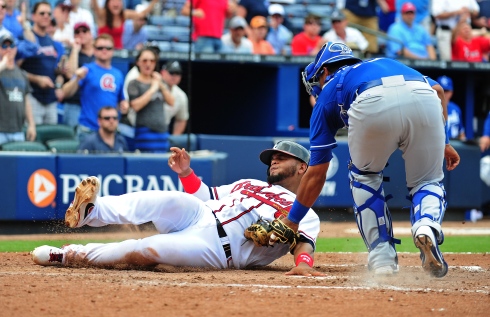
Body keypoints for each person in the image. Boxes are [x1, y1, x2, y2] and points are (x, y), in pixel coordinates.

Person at [281, 42, 460, 278]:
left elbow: (316, 173)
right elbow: (437, 91)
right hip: (423, 97)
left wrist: (293, 220)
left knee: (364, 178)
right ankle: (426, 225)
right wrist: (444, 141)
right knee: (427, 180)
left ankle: (382, 258)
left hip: (369, 100)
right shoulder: (384, 62)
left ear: (324, 71)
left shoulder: (327, 94)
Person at [31, 141, 323, 277]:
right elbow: (205, 194)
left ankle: (68, 255)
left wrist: (303, 265)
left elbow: (303, 245)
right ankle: (91, 212)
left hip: (216, 248)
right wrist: (186, 173)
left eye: (281, 157)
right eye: (272, 156)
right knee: (166, 199)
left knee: (146, 249)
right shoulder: (249, 182)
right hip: (201, 213)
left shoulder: (306, 213)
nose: (273, 160)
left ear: (302, 167)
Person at [61, 34, 127, 142]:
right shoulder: (87, 69)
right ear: (94, 50)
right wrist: (77, 78)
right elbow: (65, 92)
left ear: (113, 51)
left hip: (110, 131)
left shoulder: (118, 74)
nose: (104, 51)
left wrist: (124, 105)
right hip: (88, 128)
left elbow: (121, 101)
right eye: (100, 48)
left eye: (108, 48)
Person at [18, 1, 65, 125]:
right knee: (33, 140)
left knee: (52, 141)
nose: (46, 16)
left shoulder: (53, 43)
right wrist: (37, 79)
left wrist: (60, 80)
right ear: (33, 16)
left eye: (49, 14)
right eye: (42, 13)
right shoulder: (26, 39)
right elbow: (15, 70)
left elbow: (58, 72)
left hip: (51, 100)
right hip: (32, 97)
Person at [127, 47, 175, 152]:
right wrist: (153, 89)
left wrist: (160, 85)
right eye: (144, 60)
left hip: (162, 133)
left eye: (152, 61)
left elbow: (171, 102)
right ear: (138, 62)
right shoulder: (134, 83)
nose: (148, 64)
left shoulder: (159, 81)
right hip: (145, 133)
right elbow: (135, 106)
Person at [0, 33, 36, 145]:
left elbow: (26, 102)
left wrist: (31, 124)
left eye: (11, 46)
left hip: (17, 130)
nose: (9, 49)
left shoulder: (22, 74)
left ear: (16, 48)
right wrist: (3, 64)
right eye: (4, 46)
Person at [60, 22, 94, 128]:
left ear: (90, 34)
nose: (81, 34)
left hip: (92, 104)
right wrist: (75, 49)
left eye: (84, 31)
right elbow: (71, 75)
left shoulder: (98, 54)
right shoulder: (70, 54)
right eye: (77, 32)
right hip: (74, 104)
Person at [91, 0, 158, 49]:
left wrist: (154, 2)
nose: (116, 3)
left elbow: (142, 14)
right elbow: (94, 6)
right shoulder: (102, 15)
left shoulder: (123, 15)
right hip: (103, 51)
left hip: (119, 52)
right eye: (113, 1)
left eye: (118, 1)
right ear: (107, 3)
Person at [161, 61, 189, 135]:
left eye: (177, 74)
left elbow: (181, 119)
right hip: (142, 128)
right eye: (171, 73)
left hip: (163, 130)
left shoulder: (181, 95)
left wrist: (174, 139)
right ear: (163, 72)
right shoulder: (154, 85)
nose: (174, 76)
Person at [437, 76, 466, 141]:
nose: (444, 94)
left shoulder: (456, 109)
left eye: (446, 91)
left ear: (451, 92)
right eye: (442, 91)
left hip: (454, 145)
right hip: (438, 145)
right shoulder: (430, 108)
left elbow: (461, 133)